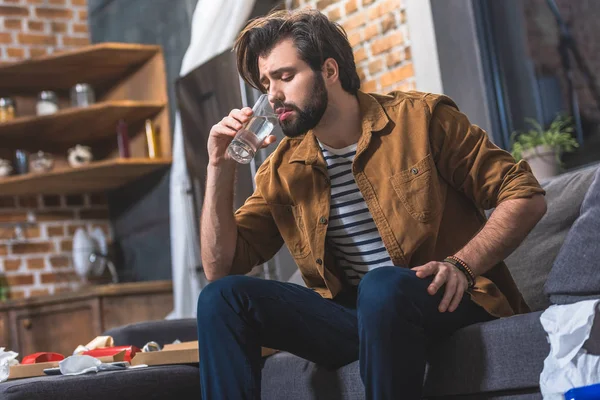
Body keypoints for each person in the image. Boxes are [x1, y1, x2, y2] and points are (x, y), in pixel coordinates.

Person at [197, 8, 547, 400]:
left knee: (381, 286)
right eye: (266, 83)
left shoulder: (420, 119)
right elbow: (219, 268)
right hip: (361, 318)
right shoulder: (282, 169)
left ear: (329, 71)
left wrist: (462, 266)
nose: (273, 95)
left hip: (443, 299)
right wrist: (218, 166)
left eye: (285, 76)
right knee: (221, 298)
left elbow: (524, 195)